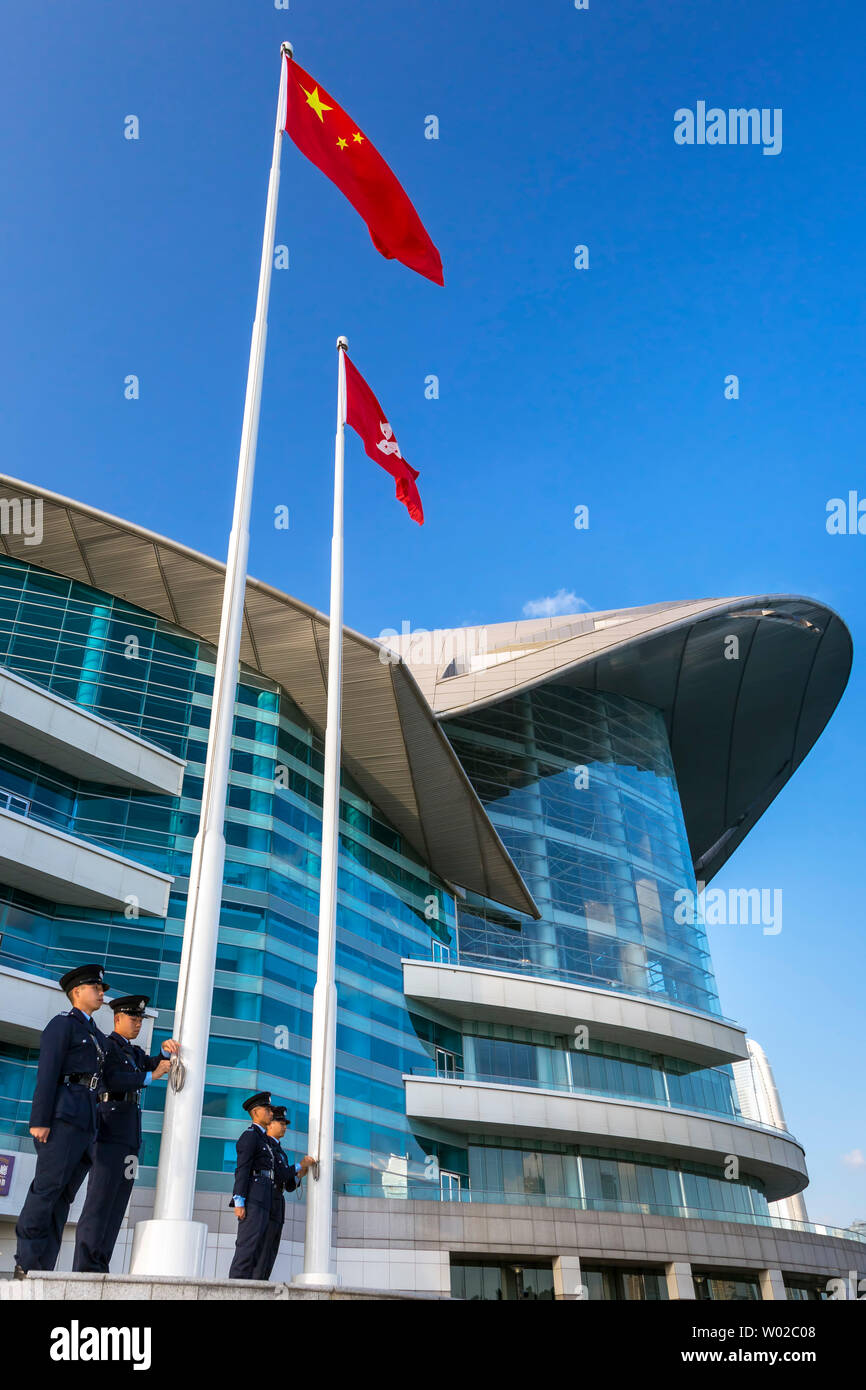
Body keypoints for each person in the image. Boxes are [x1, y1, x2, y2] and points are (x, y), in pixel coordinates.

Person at [14, 964, 110, 1276]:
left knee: (64, 1198)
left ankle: (45, 1266)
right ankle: (26, 1262)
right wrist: (39, 1120)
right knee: (47, 1189)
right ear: (77, 992)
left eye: (101, 988)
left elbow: (117, 1067)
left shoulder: (95, 1034)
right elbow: (47, 1073)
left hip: (86, 1123)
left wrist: (157, 1061)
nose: (101, 993)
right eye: (95, 987)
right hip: (63, 1119)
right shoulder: (62, 1025)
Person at [74, 994, 180, 1272]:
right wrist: (152, 1076)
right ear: (117, 1018)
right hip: (108, 1132)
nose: (138, 1024)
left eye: (141, 1019)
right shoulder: (105, 1046)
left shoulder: (132, 1052)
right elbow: (112, 1079)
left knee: (118, 1203)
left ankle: (100, 1264)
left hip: (129, 1136)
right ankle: (86, 1266)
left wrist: (165, 1053)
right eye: (133, 1018)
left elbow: (151, 1062)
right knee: (100, 1200)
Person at [252, 1104, 313, 1281]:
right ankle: (256, 1284)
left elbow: (288, 1185)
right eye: (281, 1122)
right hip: (267, 1203)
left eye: (285, 1123)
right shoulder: (266, 1146)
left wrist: (299, 1174)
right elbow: (279, 1174)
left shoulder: (280, 1152)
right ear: (270, 1124)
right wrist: (299, 1165)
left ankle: (263, 1282)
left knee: (271, 1249)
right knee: (262, 1249)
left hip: (277, 1204)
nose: (284, 1126)